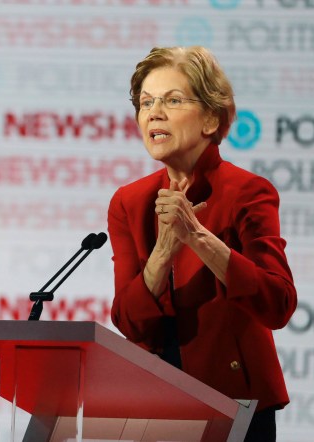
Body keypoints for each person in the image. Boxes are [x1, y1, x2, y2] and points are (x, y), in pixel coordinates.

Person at [107, 46, 297, 441]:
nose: (153, 113)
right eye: (145, 102)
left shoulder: (248, 192)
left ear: (211, 118)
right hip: (156, 402)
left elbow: (277, 304)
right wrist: (164, 251)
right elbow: (128, 321)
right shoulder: (129, 201)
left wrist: (197, 237)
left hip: (236, 404)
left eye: (172, 100)